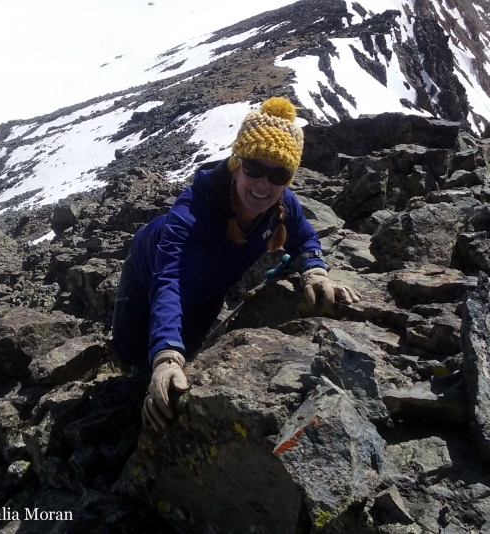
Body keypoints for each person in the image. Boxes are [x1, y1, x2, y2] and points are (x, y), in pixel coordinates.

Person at [111, 97, 361, 431]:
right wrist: (166, 357)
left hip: (208, 290)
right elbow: (168, 281)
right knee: (132, 356)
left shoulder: (283, 204)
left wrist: (314, 269)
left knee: (190, 356)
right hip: (147, 279)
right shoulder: (192, 213)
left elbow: (305, 238)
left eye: (278, 174)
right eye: (254, 168)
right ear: (236, 163)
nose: (263, 184)